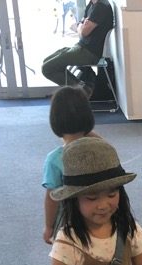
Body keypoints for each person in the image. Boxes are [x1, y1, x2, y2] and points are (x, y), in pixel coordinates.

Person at [42, 85, 97, 244]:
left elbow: (52, 197)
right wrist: (85, 128)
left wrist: (48, 226)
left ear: (55, 121)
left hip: (70, 222)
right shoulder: (100, 149)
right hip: (99, 215)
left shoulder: (54, 159)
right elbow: (108, 147)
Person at [41, 0, 115, 89]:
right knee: (46, 61)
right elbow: (80, 24)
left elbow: (83, 32)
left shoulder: (101, 7)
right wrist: (81, 26)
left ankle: (82, 90)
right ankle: (80, 87)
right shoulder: (92, 4)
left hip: (89, 53)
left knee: (47, 68)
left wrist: (80, 26)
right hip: (81, 47)